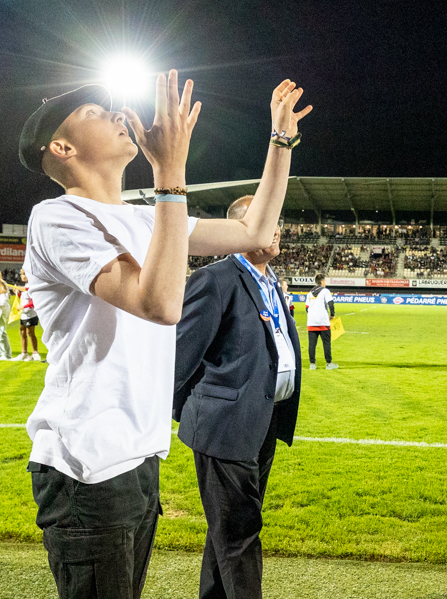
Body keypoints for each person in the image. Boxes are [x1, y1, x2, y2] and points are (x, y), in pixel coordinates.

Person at [20, 74, 310, 599]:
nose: (114, 114)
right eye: (93, 113)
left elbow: (255, 233)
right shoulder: (56, 217)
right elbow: (159, 304)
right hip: (86, 461)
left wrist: (279, 141)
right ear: (63, 148)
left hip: (137, 457)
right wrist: (170, 172)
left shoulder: (145, 217)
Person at [174, 198, 302, 599]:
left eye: (278, 220)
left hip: (262, 421)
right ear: (237, 230)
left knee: (226, 532)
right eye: (265, 219)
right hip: (225, 426)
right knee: (241, 533)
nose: (276, 227)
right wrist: (204, 410)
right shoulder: (216, 279)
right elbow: (179, 357)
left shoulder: (269, 280)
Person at [305, 273, 337, 370]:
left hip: (311, 321)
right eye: (325, 281)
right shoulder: (325, 291)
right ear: (322, 281)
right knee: (326, 343)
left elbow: (307, 308)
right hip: (323, 321)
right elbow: (330, 303)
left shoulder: (310, 293)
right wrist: (332, 314)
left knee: (312, 344)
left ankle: (312, 364)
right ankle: (329, 363)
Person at [17, 268, 42, 362]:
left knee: (30, 333)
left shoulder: (31, 287)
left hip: (30, 313)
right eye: (21, 274)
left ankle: (35, 353)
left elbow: (34, 301)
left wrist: (23, 307)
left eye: (23, 274)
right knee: (22, 331)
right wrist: (19, 293)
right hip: (24, 314)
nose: (21, 276)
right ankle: (24, 352)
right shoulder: (25, 287)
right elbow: (24, 298)